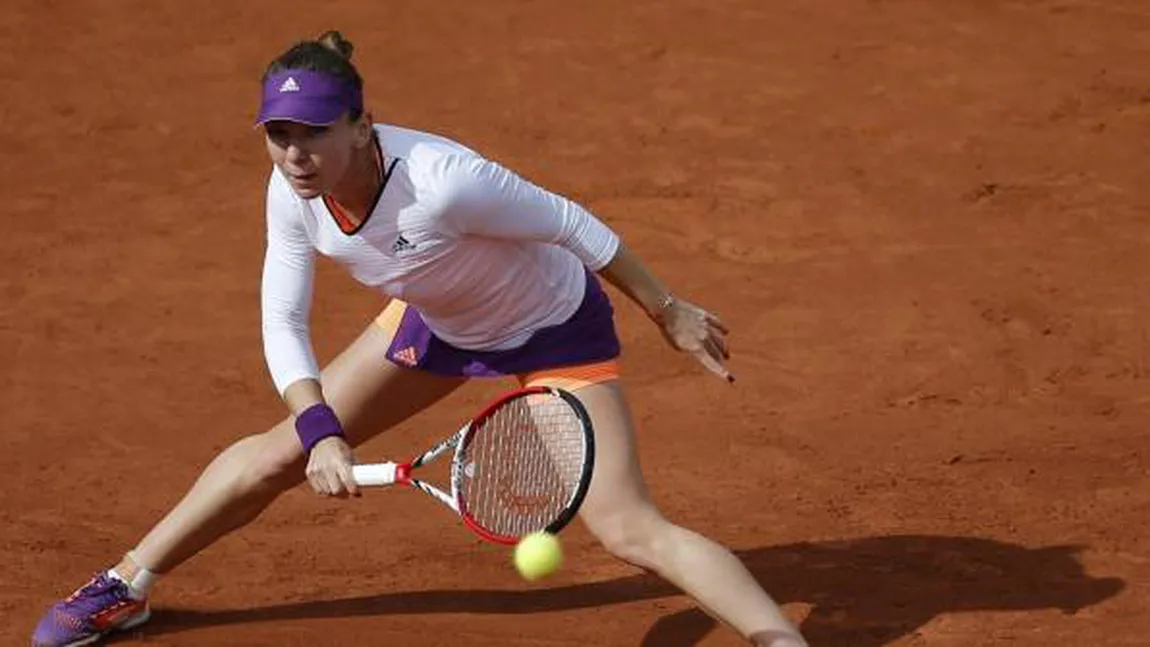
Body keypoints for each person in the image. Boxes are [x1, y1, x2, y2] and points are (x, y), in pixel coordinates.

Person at [31, 30, 807, 647]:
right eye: (277, 135)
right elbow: (282, 318)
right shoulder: (290, 189)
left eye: (313, 134)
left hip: (552, 337)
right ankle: (124, 585)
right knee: (281, 452)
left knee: (631, 529)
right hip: (433, 321)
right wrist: (320, 430)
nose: (294, 155)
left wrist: (666, 308)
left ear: (362, 125)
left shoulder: (443, 182)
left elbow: (573, 224)